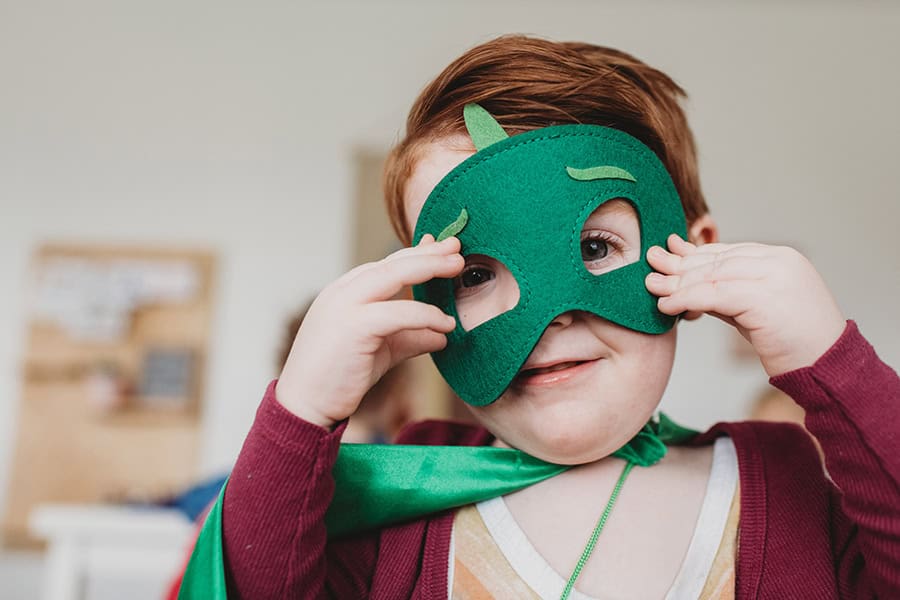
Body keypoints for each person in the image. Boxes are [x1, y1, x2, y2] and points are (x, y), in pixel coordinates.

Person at [181, 36, 900, 599]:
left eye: (594, 246)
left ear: (698, 260)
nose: (546, 317)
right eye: (473, 274)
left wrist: (832, 363)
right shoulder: (398, 508)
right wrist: (299, 413)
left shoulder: (785, 485)